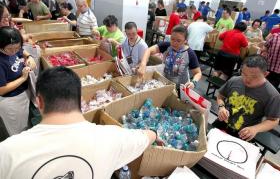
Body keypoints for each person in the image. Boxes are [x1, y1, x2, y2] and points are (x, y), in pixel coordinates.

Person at [0, 66, 157, 178]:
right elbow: (147, 137)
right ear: (81, 99)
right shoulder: (112, 137)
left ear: (39, 102)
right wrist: (155, 133)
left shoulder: (6, 152)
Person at [213, 55, 280, 141]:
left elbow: (273, 120)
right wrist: (221, 107)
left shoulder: (272, 95)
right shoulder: (235, 80)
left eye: (254, 77)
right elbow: (221, 96)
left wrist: (255, 129)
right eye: (244, 74)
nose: (247, 80)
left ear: (265, 74)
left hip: (244, 133)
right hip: (222, 122)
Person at [138, 25, 202, 91]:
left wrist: (193, 82)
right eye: (172, 39)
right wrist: (143, 64)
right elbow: (149, 50)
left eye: (178, 41)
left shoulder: (189, 53)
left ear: (185, 41)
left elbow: (198, 73)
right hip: (165, 83)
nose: (174, 43)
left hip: (180, 87)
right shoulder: (167, 46)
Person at [0, 27, 36, 136]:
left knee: (26, 124)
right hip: (11, 100)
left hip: (23, 93)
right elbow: (1, 90)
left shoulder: (14, 50)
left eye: (17, 47)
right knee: (18, 131)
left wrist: (29, 57)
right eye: (10, 49)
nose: (14, 51)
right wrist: (22, 78)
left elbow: (21, 51)